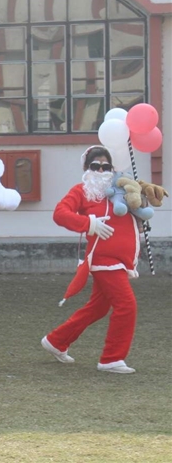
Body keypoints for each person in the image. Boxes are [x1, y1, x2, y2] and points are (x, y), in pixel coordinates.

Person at [40, 146, 155, 374]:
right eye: (95, 166)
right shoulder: (81, 191)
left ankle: (56, 340)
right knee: (126, 306)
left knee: (98, 307)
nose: (101, 171)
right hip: (104, 259)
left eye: (106, 166)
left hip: (121, 259)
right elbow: (60, 213)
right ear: (86, 168)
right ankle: (112, 358)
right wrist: (89, 224)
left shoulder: (119, 189)